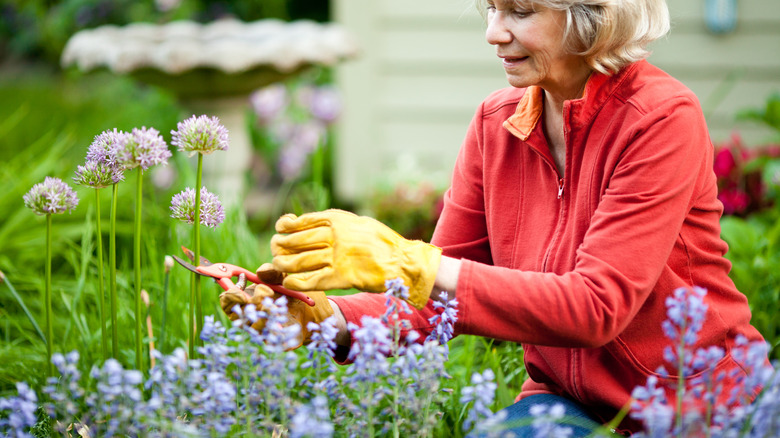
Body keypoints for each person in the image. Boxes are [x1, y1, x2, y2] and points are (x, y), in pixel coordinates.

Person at [220, 0, 768, 435]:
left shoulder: (660, 119)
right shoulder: (497, 123)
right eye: (491, 8)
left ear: (591, 17)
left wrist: (411, 262)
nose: (493, 32)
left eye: (520, 11)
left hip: (695, 406)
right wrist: (322, 319)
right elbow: (438, 296)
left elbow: (596, 307)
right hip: (567, 404)